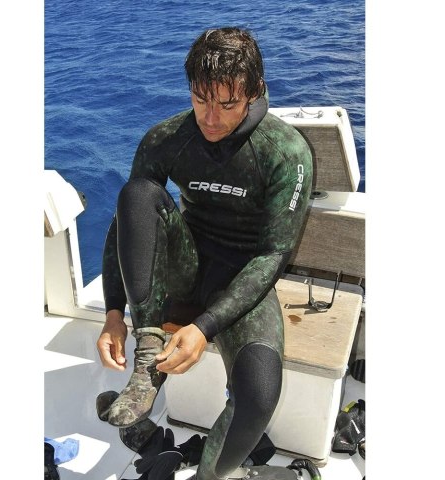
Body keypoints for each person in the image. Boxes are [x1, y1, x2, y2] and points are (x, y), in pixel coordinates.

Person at [96, 27, 312, 480]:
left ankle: (209, 476)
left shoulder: (285, 152)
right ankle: (148, 356)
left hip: (243, 277)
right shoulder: (167, 138)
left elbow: (272, 257)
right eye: (200, 100)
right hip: (187, 264)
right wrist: (115, 312)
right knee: (137, 192)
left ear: (254, 92)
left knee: (259, 394)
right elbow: (129, 220)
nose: (211, 119)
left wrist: (204, 327)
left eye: (227, 104)